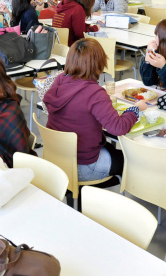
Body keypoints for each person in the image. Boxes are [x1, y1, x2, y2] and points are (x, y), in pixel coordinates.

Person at [44, 38, 145, 181]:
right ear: (98, 64)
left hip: (57, 158)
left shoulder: (60, 80)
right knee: (130, 160)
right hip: (83, 165)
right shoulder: (94, 93)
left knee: (111, 149)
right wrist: (135, 110)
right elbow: (118, 128)